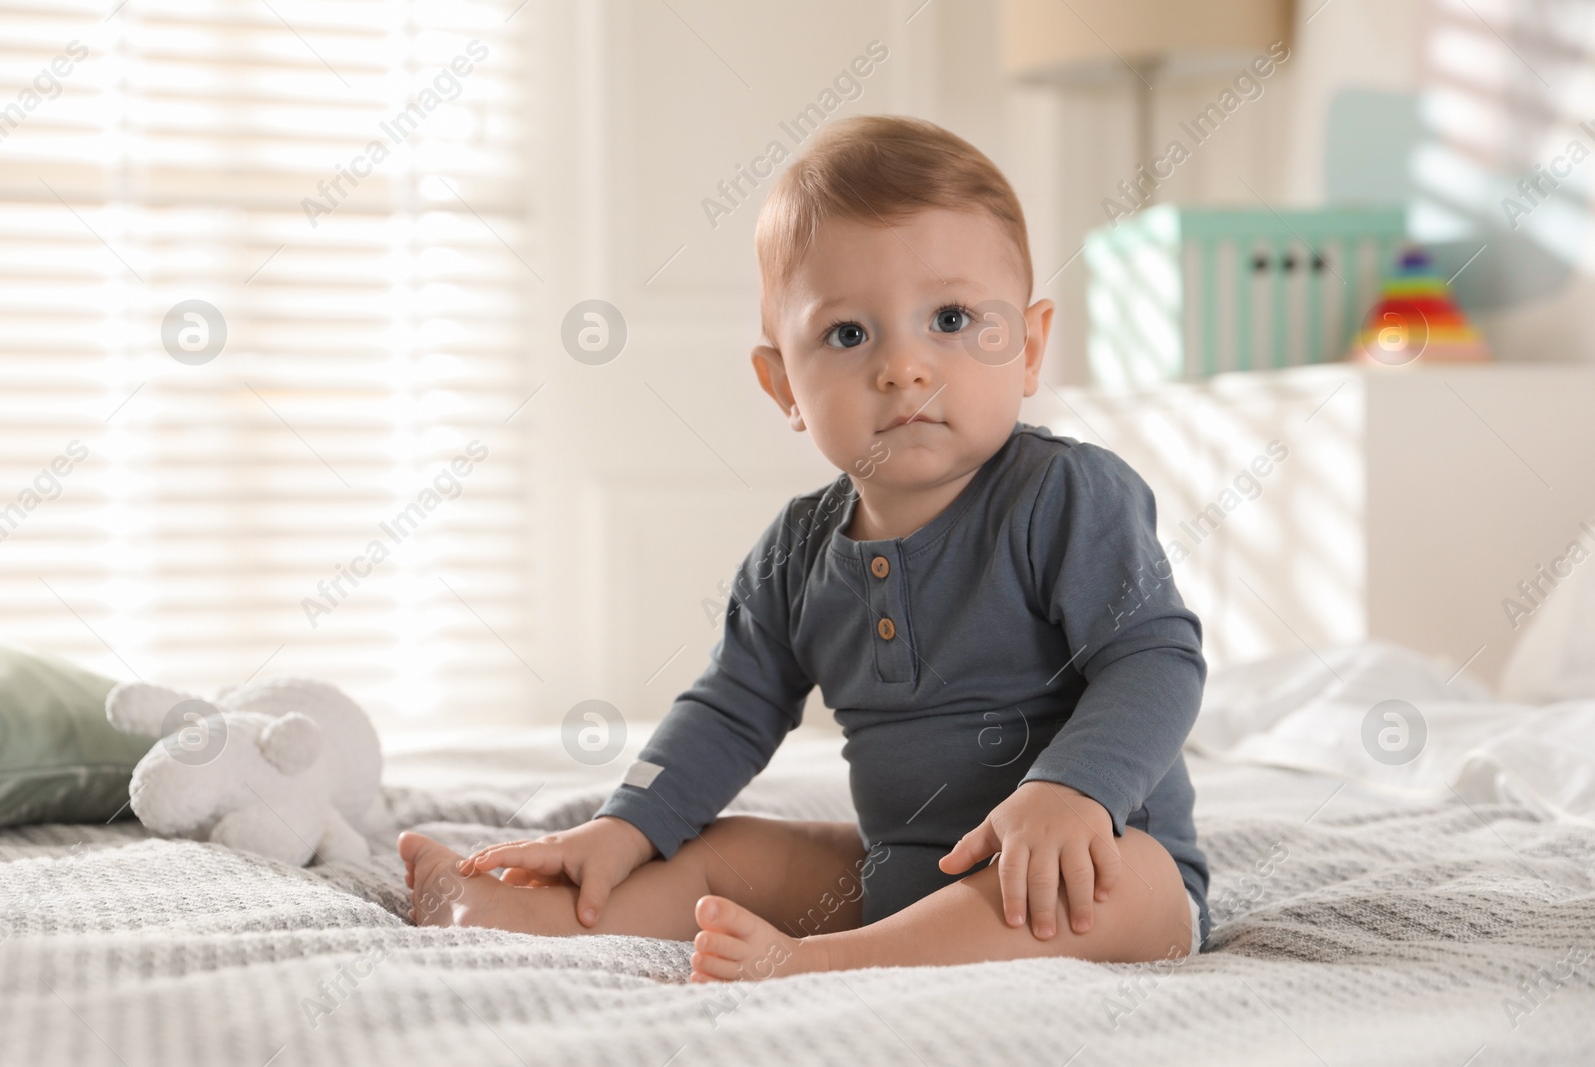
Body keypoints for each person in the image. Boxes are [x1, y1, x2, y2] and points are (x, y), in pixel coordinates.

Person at [400, 114, 1210, 981]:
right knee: (720, 856)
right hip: (906, 867)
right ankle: (514, 911)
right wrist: (625, 823)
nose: (904, 366)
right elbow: (727, 709)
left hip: (1086, 866)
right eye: (850, 334)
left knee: (1119, 886)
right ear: (783, 383)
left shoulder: (1065, 495)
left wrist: (1073, 790)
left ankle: (822, 961)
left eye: (950, 317)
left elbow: (1154, 660)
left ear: (1030, 346)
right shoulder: (796, 553)